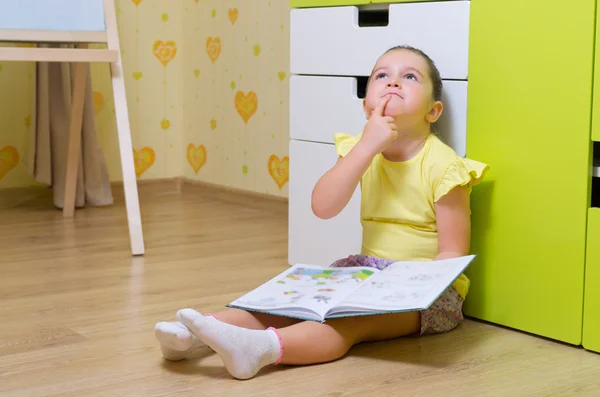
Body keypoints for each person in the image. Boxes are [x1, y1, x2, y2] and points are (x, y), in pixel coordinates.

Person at [154, 45, 489, 380]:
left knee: (342, 322)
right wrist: (366, 147)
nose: (393, 83)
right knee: (291, 304)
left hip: (428, 294)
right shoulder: (360, 150)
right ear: (366, 105)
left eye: (410, 77)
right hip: (368, 272)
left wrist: (408, 292)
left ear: (433, 111)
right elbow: (323, 206)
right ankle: (194, 334)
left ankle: (261, 349)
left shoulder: (445, 168)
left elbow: (452, 252)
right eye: (382, 76)